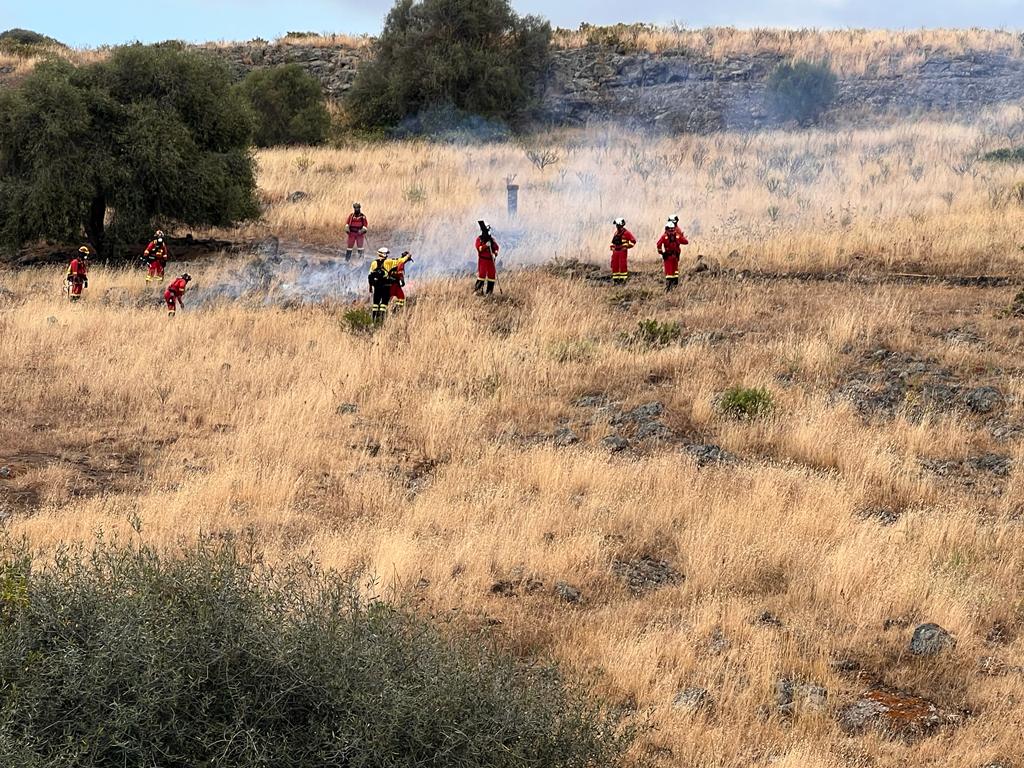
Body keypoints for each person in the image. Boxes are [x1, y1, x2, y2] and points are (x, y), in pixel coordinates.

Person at [657, 219, 689, 291]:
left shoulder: (664, 236)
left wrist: (661, 252)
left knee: (669, 272)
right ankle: (675, 286)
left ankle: (669, 288)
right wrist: (682, 236)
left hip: (668, 257)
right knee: (675, 272)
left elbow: (658, 244)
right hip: (675, 257)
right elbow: (686, 242)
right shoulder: (677, 236)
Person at [368, 247, 394, 322]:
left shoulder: (374, 263)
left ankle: (373, 319)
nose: (387, 255)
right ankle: (382, 319)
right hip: (386, 286)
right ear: (384, 254)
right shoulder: (388, 262)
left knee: (375, 304)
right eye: (386, 254)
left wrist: (370, 287)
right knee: (384, 304)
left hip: (377, 287)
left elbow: (370, 275)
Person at [474, 222, 499, 295]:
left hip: (491, 260)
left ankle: (489, 292)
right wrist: (486, 245)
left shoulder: (491, 239)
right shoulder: (479, 239)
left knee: (492, 275)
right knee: (482, 275)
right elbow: (479, 248)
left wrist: (495, 253)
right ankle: (478, 291)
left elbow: (496, 247)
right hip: (483, 260)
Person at [609, 218, 636, 284]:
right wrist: (612, 247)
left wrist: (627, 246)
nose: (616, 226)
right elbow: (614, 242)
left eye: (617, 225)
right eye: (616, 225)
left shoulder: (626, 233)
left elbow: (633, 241)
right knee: (615, 265)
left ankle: (623, 280)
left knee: (622, 265)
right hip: (615, 252)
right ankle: (616, 280)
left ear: (620, 225)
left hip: (622, 252)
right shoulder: (616, 233)